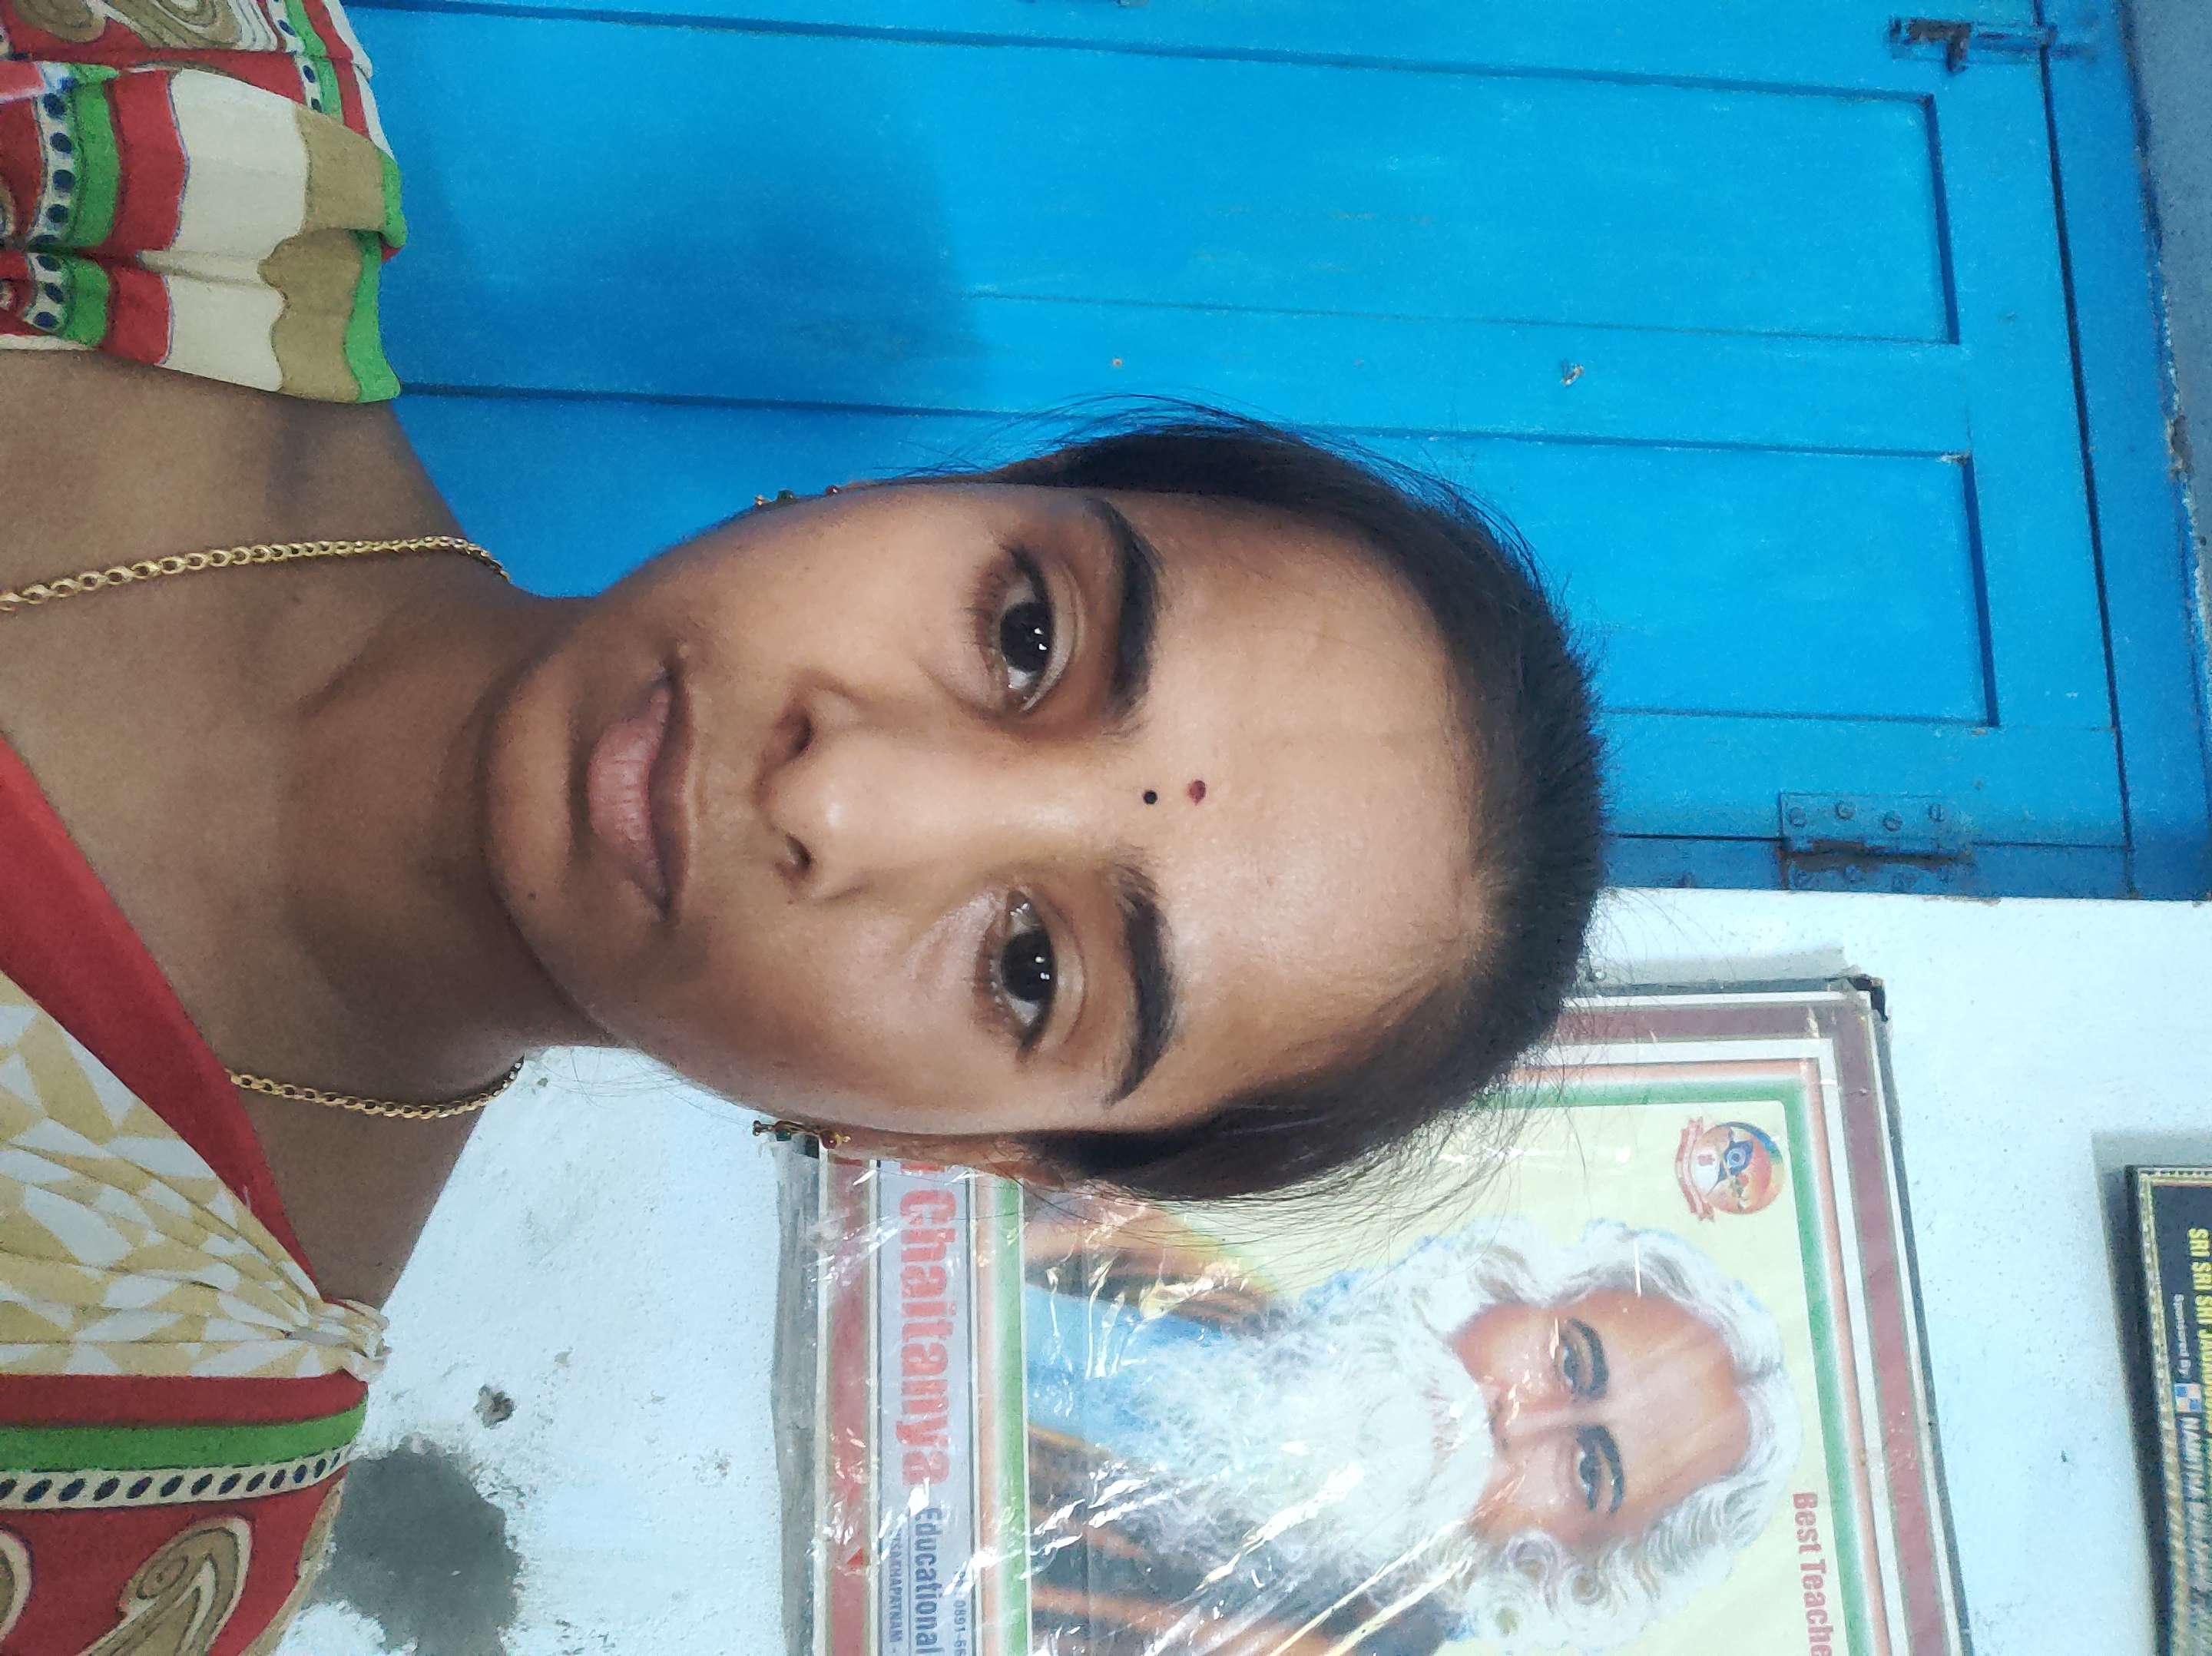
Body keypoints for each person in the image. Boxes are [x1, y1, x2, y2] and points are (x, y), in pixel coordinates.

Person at [0, 0, 1602, 1645]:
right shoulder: (168, 111)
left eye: (1032, 967)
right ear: (975, 484)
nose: (837, 795)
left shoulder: (122, 1509)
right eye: (1027, 634)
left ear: (948, 1150)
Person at [1021, 1212, 1800, 1654]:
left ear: (1572, 1569)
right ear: (1511, 1288)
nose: (1520, 1419)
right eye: (1570, 1360)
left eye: (1588, 1470)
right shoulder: (1178, 1264)